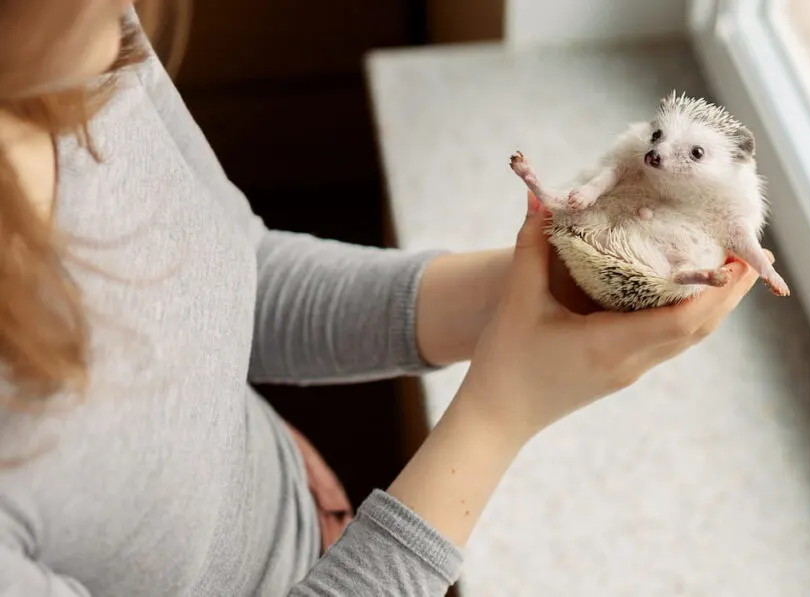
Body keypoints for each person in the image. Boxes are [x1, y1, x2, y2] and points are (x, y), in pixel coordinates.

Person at [0, 2, 766, 595]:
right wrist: (501, 412)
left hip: (312, 505)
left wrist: (541, 287)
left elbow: (239, 279)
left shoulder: (73, 41)